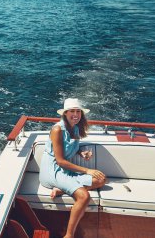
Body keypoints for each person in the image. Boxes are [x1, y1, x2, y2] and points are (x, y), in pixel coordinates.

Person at [39, 98, 106, 238]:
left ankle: (61, 189)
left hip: (64, 171)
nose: (76, 114)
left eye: (78, 111)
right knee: (83, 196)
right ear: (65, 113)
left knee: (101, 179)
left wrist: (81, 152)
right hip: (53, 170)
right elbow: (61, 161)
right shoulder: (57, 129)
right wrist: (87, 170)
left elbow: (69, 148)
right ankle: (69, 235)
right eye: (72, 111)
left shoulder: (75, 127)